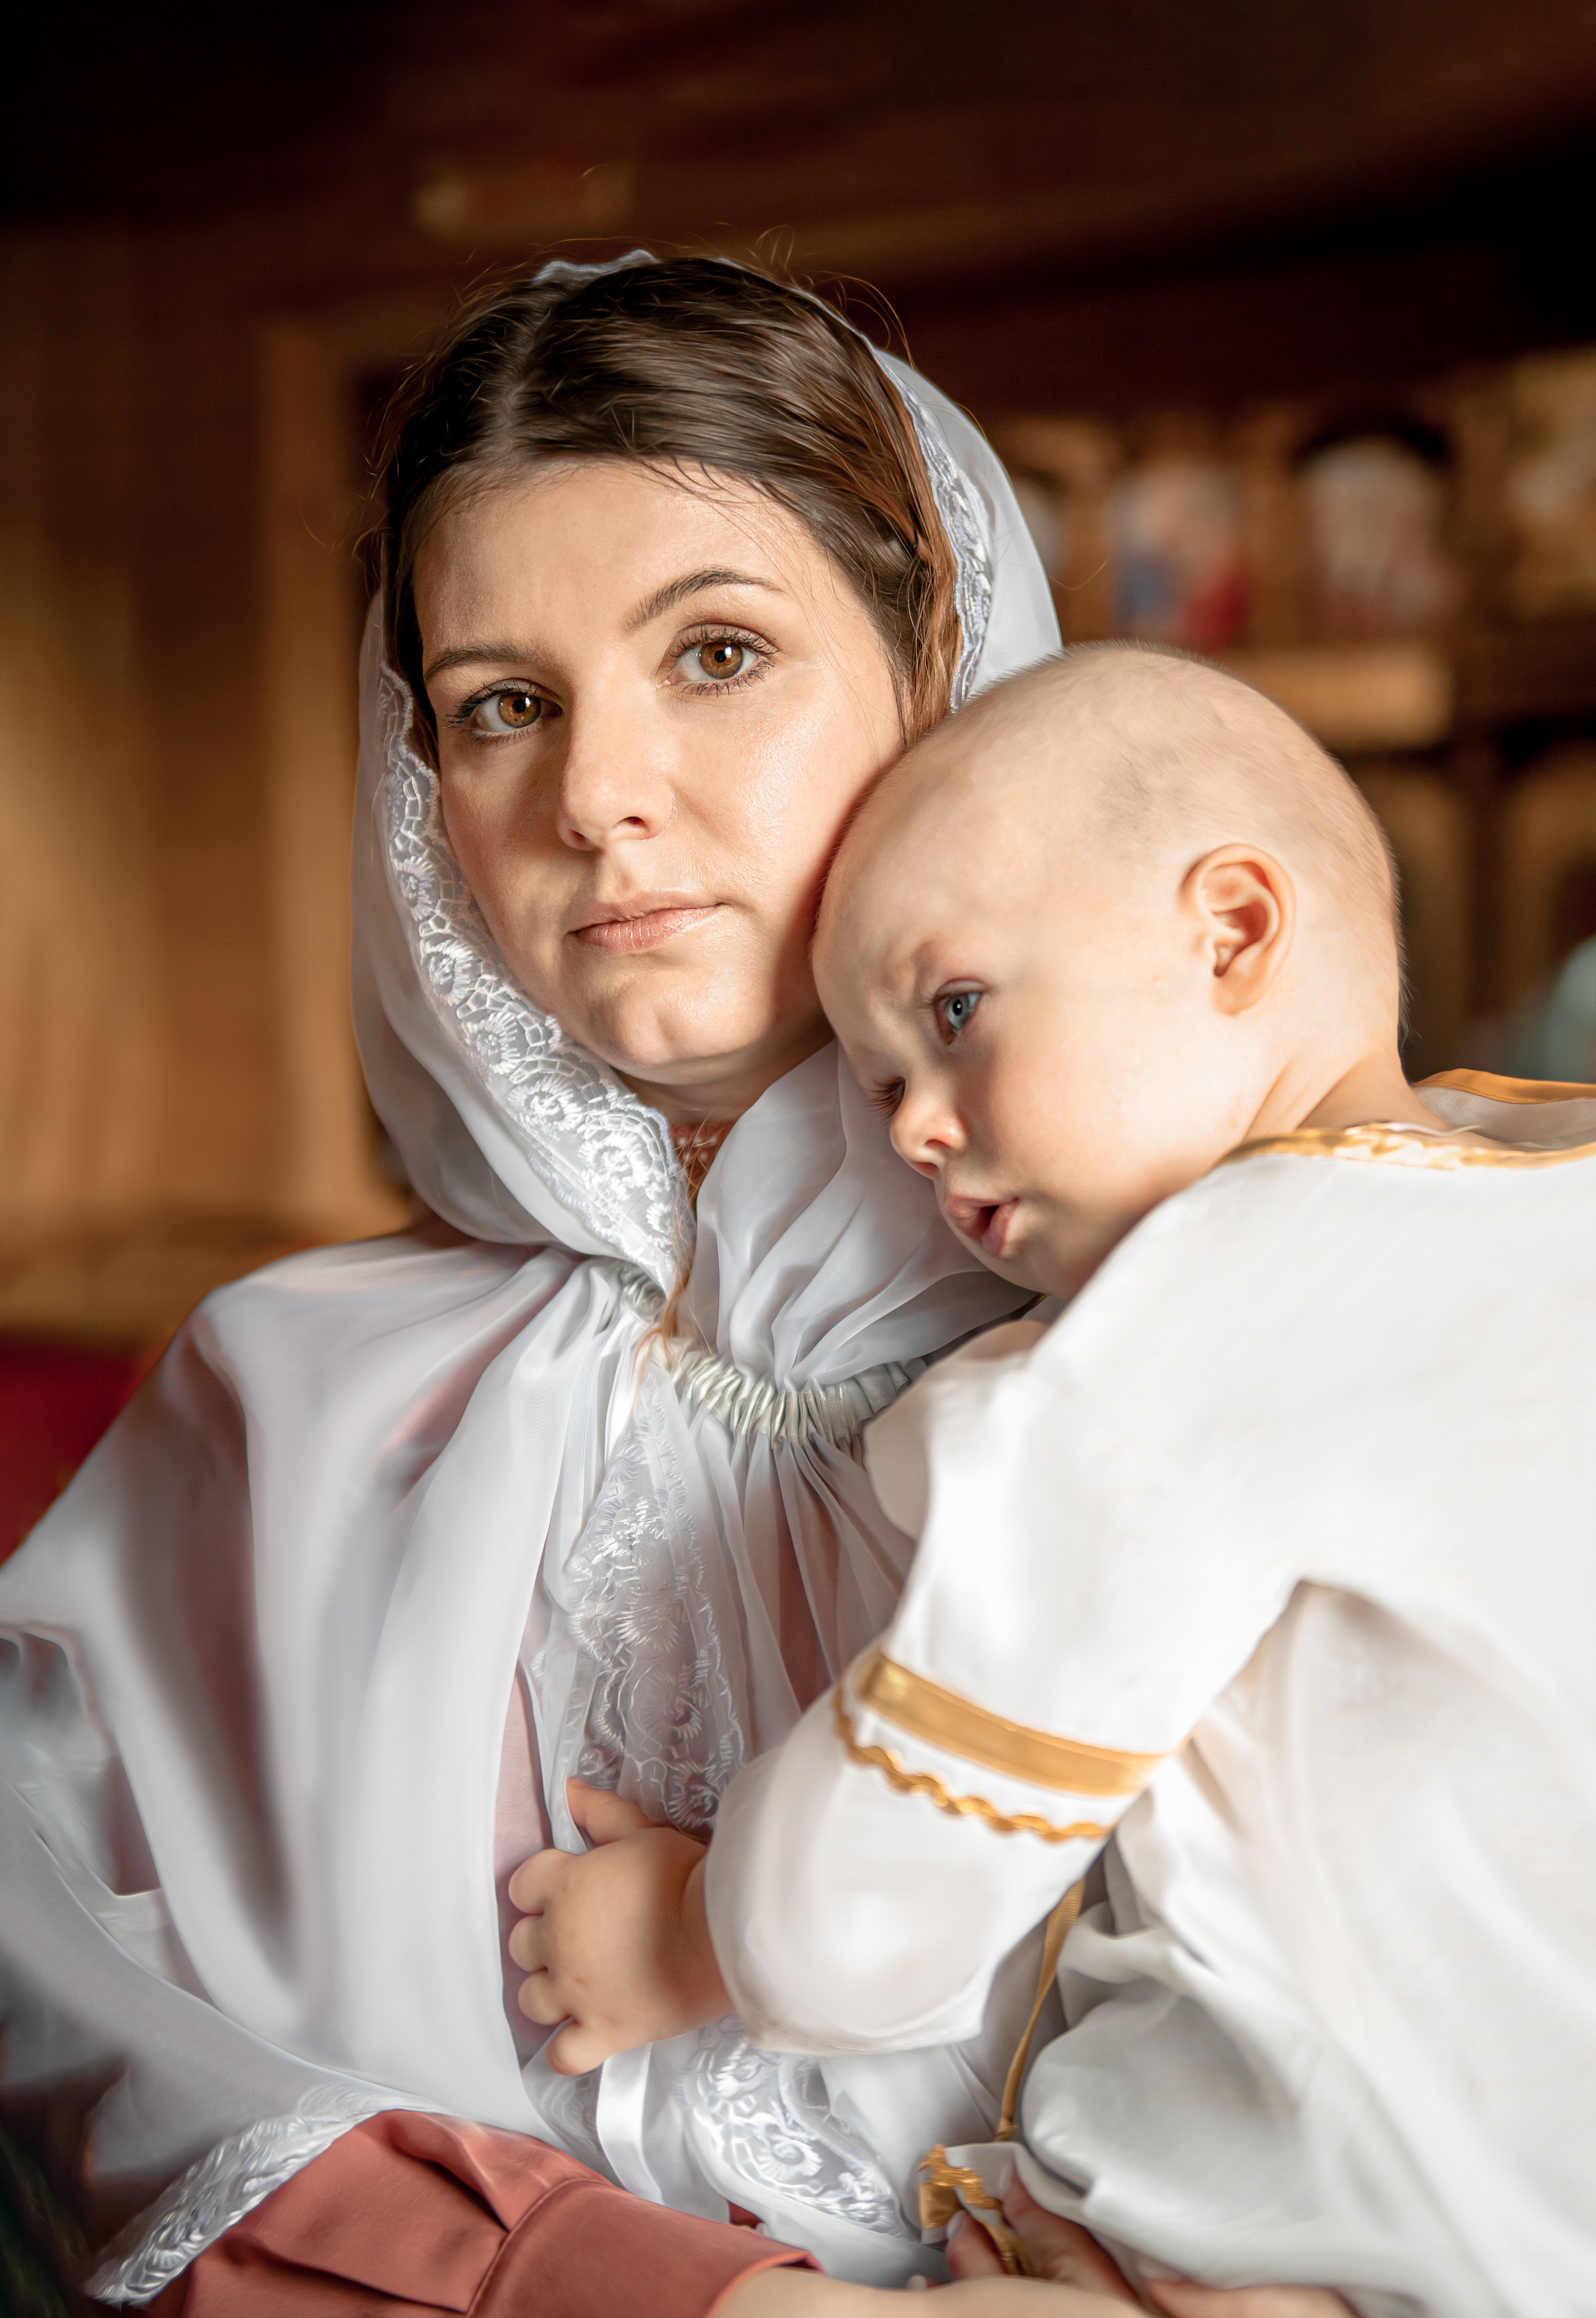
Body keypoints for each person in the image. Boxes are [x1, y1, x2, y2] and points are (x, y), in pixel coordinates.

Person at [0, 252, 1060, 2310]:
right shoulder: (282, 1402)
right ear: (429, 807)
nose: (594, 798)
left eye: (720, 653)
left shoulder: (1226, 1352)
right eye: (503, 705)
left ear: (943, 670)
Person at [514, 648, 1596, 2317]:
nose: (917, 1135)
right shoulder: (1540, 1203)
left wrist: (686, 1939)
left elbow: (929, 1816)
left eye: (954, 1014)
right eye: (878, 1086)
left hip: (1333, 2225)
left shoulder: (1205, 1317)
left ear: (1231, 931)